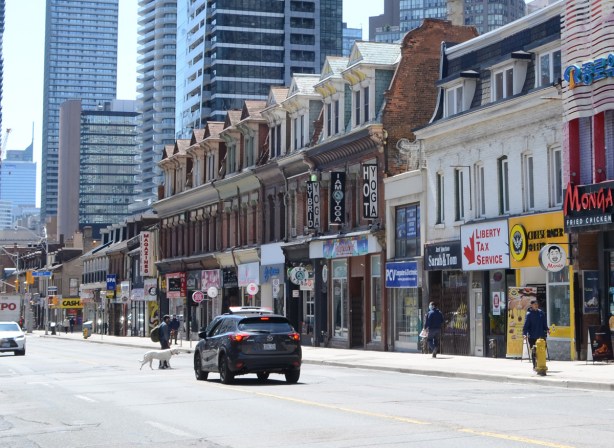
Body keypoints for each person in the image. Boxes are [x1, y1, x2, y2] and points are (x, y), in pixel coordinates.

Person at [523, 298, 549, 369]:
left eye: (537, 304)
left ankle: (541, 363)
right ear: (531, 305)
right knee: (534, 351)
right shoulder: (529, 314)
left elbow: (544, 323)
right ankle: (535, 365)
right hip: (532, 336)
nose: (536, 305)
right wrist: (524, 334)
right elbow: (526, 325)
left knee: (542, 350)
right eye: (535, 304)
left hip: (541, 335)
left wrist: (547, 329)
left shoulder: (541, 313)